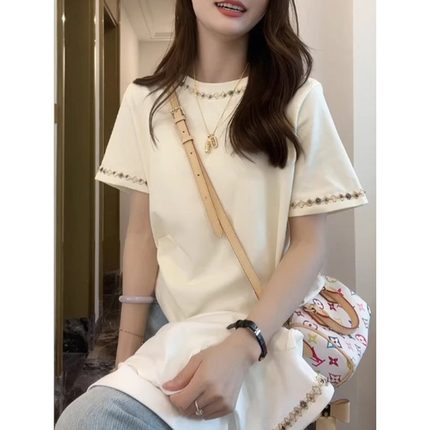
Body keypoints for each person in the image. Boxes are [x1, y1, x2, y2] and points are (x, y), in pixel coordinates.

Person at [55, 0, 368, 429]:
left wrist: (245, 344)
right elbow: (143, 234)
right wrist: (125, 357)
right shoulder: (144, 100)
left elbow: (309, 245)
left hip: (264, 332)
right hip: (170, 332)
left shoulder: (299, 99)